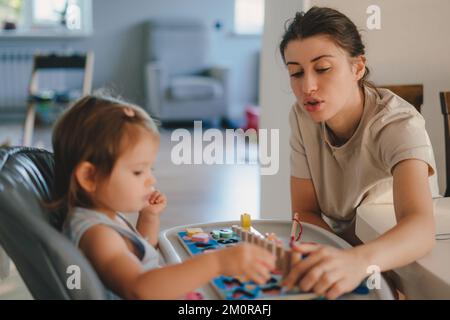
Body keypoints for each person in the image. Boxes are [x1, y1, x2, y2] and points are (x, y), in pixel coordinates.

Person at [50, 94, 275, 299]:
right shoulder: (97, 234)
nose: (151, 180)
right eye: (138, 171)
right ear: (89, 176)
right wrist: (217, 262)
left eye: (151, 170)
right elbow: (140, 287)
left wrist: (148, 217)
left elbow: (140, 254)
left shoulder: (103, 217)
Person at [279, 7, 436, 299]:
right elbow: (304, 211)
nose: (307, 86)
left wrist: (356, 261)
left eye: (323, 68)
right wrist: (336, 259)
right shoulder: (301, 117)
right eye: (296, 72)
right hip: (345, 256)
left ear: (357, 67)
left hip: (402, 264)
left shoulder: (398, 124)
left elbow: (421, 227)